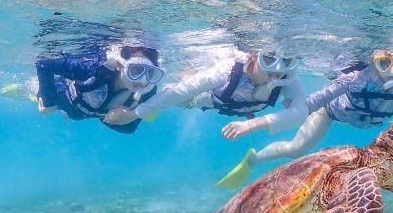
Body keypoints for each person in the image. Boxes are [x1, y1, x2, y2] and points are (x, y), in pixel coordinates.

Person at [217, 49, 393, 188]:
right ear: (374, 61)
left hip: (364, 121)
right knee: (296, 149)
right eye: (383, 64)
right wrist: (300, 107)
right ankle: (253, 158)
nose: (392, 72)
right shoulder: (355, 77)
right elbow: (321, 98)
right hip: (329, 112)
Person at [104, 48, 309, 156]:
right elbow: (178, 92)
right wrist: (135, 113)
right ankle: (186, 73)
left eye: (287, 61)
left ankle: (247, 109)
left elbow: (301, 113)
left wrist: (250, 124)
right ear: (255, 56)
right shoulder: (228, 70)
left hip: (244, 108)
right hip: (207, 100)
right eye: (269, 58)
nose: (277, 69)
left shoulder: (287, 78)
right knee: (183, 98)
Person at [18, 44, 164, 134]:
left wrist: (131, 115)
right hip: (62, 99)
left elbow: (129, 129)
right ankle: (29, 91)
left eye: (151, 73)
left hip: (85, 113)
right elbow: (44, 64)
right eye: (136, 71)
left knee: (70, 116)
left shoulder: (148, 89)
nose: (143, 81)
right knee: (45, 106)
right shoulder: (93, 68)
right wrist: (48, 101)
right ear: (120, 65)